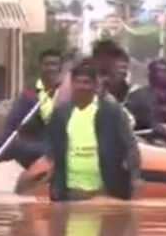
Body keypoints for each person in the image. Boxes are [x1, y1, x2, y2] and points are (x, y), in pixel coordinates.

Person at [45, 59, 140, 202]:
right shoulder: (61, 114)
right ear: (72, 83)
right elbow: (52, 147)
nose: (83, 87)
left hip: (105, 193)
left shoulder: (111, 112)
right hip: (70, 193)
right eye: (79, 82)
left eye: (87, 82)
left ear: (95, 85)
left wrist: (134, 178)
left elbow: (130, 146)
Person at [0, 48, 63, 169]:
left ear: (60, 68)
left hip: (61, 147)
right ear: (40, 67)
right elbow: (10, 127)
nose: (51, 68)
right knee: (17, 146)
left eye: (54, 64)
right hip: (37, 148)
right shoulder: (29, 95)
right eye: (47, 64)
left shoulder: (67, 93)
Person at [124, 58, 166, 132]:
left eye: (164, 71)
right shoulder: (137, 97)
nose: (160, 74)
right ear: (150, 75)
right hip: (146, 138)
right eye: (157, 71)